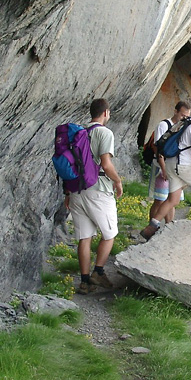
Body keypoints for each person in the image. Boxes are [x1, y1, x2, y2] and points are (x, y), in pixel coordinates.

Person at [140, 101, 191, 239]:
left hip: (171, 163)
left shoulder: (188, 122)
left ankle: (151, 227)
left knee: (173, 199)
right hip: (184, 164)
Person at [66, 98, 123, 294]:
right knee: (110, 233)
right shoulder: (104, 132)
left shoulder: (79, 133)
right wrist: (117, 181)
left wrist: (67, 192)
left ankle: (84, 281)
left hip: (76, 190)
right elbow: (106, 164)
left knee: (85, 237)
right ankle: (98, 272)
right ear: (105, 113)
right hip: (98, 190)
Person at [147, 101, 191, 223]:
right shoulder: (164, 125)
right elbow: (158, 148)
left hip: (174, 167)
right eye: (182, 115)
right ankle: (152, 225)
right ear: (175, 111)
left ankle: (169, 226)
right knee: (159, 199)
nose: (184, 118)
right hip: (161, 166)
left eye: (186, 116)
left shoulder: (183, 127)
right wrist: (163, 168)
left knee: (172, 199)